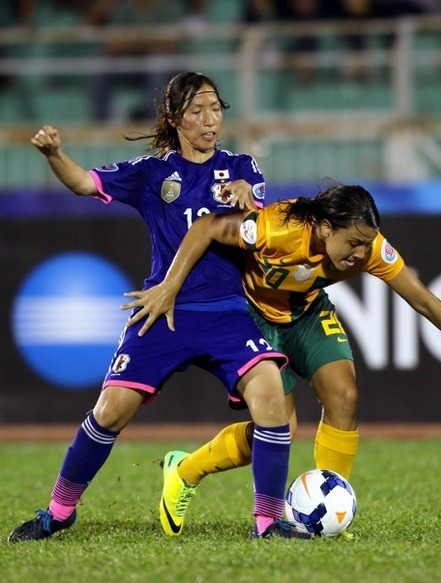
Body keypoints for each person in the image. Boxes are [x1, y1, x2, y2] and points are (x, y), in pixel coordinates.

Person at [8, 71, 313, 542]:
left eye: (215, 108)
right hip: (163, 310)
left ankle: (269, 522)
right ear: (175, 119)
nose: (210, 121)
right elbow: (84, 184)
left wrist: (245, 199)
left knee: (270, 397)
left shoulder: (241, 165)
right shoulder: (153, 174)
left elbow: (254, 209)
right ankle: (59, 511)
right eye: (197, 111)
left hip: (227, 311)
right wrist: (54, 154)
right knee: (109, 411)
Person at [121, 183, 441, 530]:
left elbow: (423, 300)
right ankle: (185, 470)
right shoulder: (277, 228)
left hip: (307, 312)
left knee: (344, 396)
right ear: (322, 226)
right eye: (352, 242)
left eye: (365, 244)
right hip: (252, 316)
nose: (359, 254)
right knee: (279, 428)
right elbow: (208, 227)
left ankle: (332, 513)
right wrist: (171, 286)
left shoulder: (370, 249)